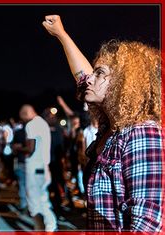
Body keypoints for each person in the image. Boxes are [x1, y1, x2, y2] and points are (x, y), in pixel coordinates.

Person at [43, 15, 162, 231]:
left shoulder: (143, 133)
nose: (89, 78)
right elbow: (83, 77)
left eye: (99, 73)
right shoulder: (112, 129)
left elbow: (148, 223)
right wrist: (62, 35)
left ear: (122, 84)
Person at [18, 104, 57, 231]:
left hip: (33, 167)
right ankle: (51, 226)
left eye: (23, 118)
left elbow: (30, 148)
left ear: (26, 114)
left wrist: (17, 148)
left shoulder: (31, 125)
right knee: (43, 198)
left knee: (34, 202)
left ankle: (39, 229)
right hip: (43, 166)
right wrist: (47, 168)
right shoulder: (43, 123)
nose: (24, 121)